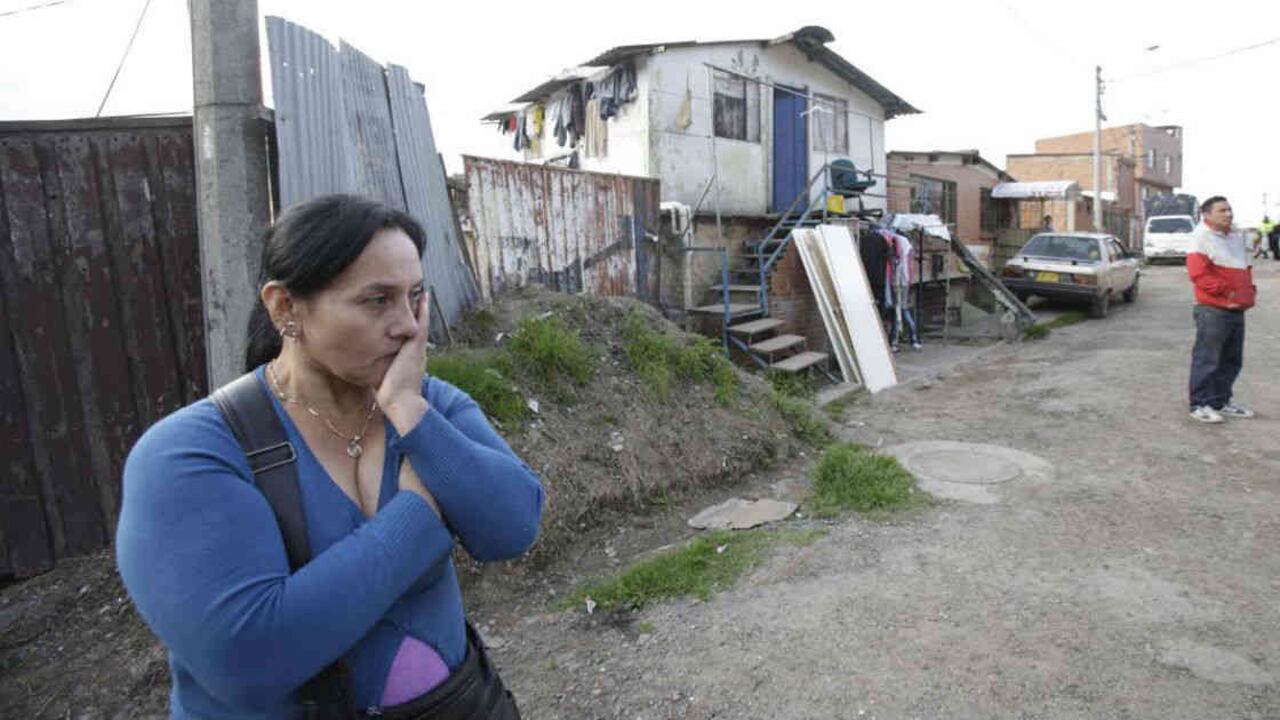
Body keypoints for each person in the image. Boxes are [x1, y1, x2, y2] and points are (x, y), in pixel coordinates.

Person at [116, 195, 543, 719]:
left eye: (415, 297)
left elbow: (513, 526)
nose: (408, 326)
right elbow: (248, 660)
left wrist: (409, 409)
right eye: (377, 301)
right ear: (284, 308)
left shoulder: (429, 407)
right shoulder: (190, 454)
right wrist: (418, 514)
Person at [1186, 196, 1257, 423]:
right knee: (1207, 359)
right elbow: (1198, 274)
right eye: (1222, 210)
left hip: (1237, 309)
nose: (1228, 214)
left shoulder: (1235, 238)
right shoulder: (1201, 238)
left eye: (1229, 209)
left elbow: (1244, 269)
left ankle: (1220, 401)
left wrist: (1249, 291)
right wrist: (1228, 293)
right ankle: (1199, 404)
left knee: (1231, 360)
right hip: (1213, 309)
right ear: (1206, 215)